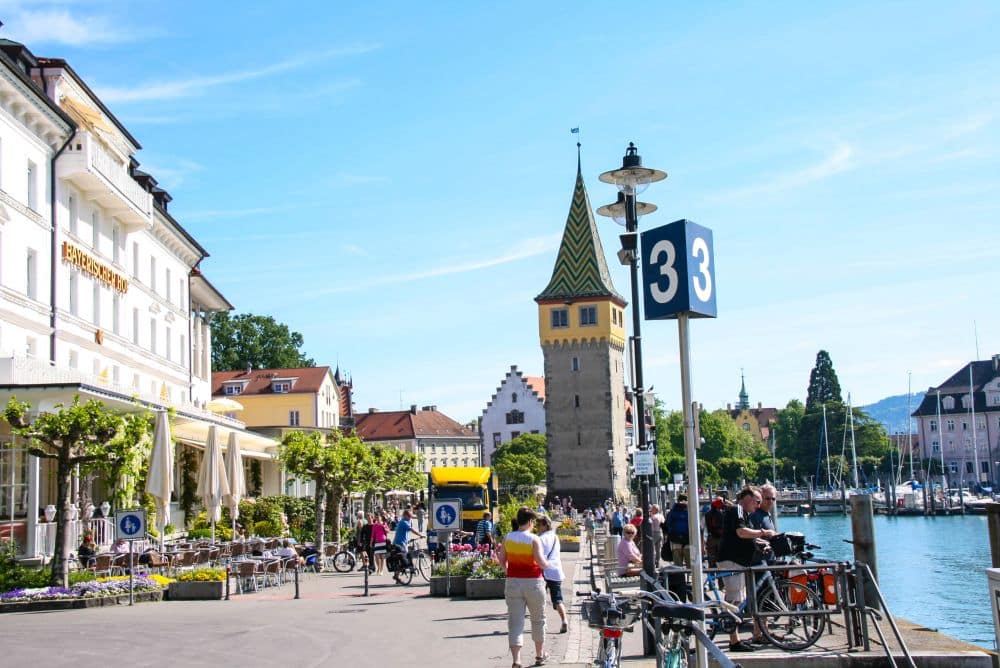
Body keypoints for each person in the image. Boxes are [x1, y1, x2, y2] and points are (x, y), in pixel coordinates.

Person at [717, 487, 775, 652]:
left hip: (737, 560)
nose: (759, 505)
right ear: (748, 498)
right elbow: (741, 532)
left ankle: (735, 638)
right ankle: (734, 641)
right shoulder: (738, 510)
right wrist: (763, 532)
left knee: (736, 598)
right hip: (732, 560)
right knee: (734, 599)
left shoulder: (743, 513)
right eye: (757, 501)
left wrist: (760, 542)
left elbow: (745, 535)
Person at [496, 507, 550, 668]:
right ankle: (540, 655)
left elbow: (501, 559)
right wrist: (549, 564)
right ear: (530, 522)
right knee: (538, 619)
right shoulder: (534, 539)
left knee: (515, 621)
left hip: (513, 582)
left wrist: (508, 571)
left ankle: (517, 660)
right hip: (533, 582)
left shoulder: (508, 538)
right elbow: (541, 562)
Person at [535, 515, 568, 634]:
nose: (537, 527)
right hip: (556, 571)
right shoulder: (554, 537)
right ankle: (564, 620)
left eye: (538, 525)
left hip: (544, 571)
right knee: (558, 599)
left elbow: (539, 556)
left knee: (539, 598)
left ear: (544, 525)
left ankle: (541, 622)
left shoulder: (541, 539)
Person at [665, 495, 690, 567]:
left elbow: (667, 525)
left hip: (675, 542)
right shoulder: (690, 511)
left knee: (678, 567)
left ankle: (680, 578)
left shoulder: (671, 512)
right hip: (689, 542)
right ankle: (691, 578)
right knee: (691, 567)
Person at [703, 496, 726, 567]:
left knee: (711, 559)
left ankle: (711, 576)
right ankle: (720, 577)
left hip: (711, 537)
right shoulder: (722, 513)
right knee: (721, 559)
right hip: (721, 538)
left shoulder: (707, 514)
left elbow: (703, 528)